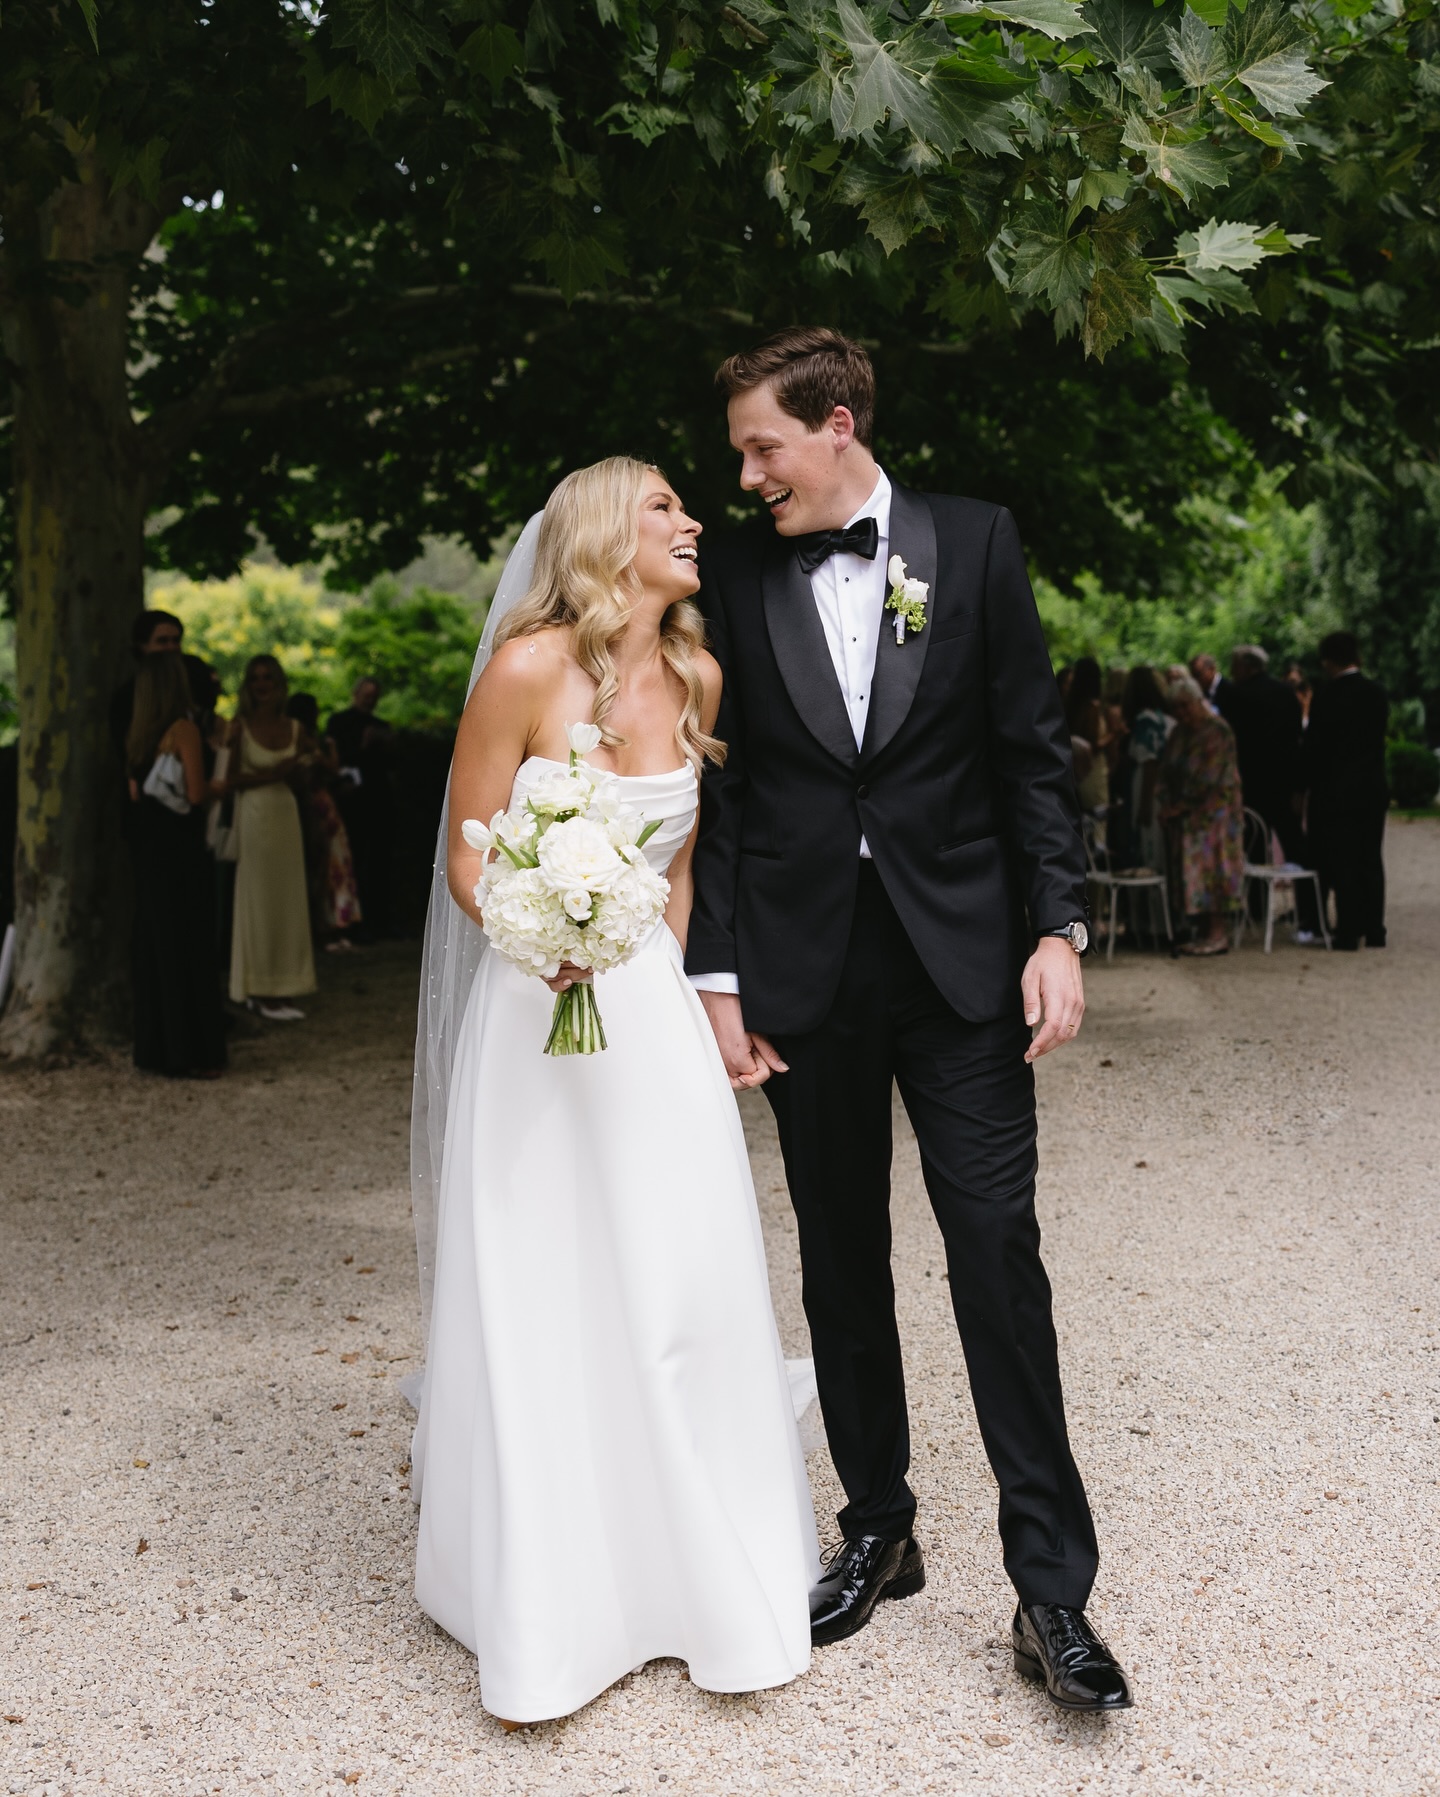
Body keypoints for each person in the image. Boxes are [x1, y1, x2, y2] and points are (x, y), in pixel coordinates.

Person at [688, 328, 1130, 1713]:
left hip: (963, 971)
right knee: (840, 1257)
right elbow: (723, 791)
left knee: (997, 1253)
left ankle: (1052, 1592)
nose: (746, 475)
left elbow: (1030, 755)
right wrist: (718, 980)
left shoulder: (974, 542)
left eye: (762, 446)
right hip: (803, 975)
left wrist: (1058, 929)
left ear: (836, 425)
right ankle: (878, 1528)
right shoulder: (736, 572)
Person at [410, 458, 816, 1726]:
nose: (694, 522)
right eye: (664, 508)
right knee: (550, 1273)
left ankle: (693, 1563)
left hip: (647, 1010)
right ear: (601, 535)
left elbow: (678, 868)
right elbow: (468, 848)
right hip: (534, 1014)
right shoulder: (527, 670)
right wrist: (540, 935)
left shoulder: (695, 674)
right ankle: (556, 1595)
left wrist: (688, 1011)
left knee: (678, 1269)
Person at [124, 651, 226, 1078]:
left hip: (149, 853)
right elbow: (197, 793)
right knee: (191, 946)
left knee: (158, 948)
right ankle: (194, 1051)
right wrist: (224, 781)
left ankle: (158, 1050)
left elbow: (135, 794)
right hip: (182, 854)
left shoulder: (138, 736)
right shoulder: (183, 730)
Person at [225, 655, 317, 1019]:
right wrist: (274, 773)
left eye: (268, 678)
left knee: (288, 899)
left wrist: (302, 769)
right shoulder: (239, 727)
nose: (262, 684)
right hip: (253, 815)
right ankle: (258, 986)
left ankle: (288, 983)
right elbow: (229, 779)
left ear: (279, 684)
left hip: (285, 814)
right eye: (255, 678)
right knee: (258, 900)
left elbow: (306, 781)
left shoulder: (295, 728)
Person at [1223, 645, 1317, 934]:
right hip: (1284, 783)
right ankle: (1307, 909)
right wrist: (1298, 785)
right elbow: (1296, 739)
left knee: (1254, 848)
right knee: (1295, 847)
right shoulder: (1285, 692)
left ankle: (1258, 909)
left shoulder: (1237, 695)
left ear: (1245, 667)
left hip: (1253, 784)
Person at [1306, 630, 1389, 950]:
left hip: (1336, 789)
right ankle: (1374, 928)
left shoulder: (1326, 695)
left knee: (1343, 860)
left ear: (1328, 661)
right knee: (1370, 857)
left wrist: (1304, 785)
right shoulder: (1376, 693)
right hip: (1371, 787)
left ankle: (1349, 929)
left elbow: (1315, 747)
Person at [1158, 673, 1245, 955]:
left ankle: (1217, 933)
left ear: (1198, 701)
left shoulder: (1217, 730)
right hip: (1186, 818)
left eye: (1186, 706)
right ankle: (1203, 931)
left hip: (1214, 818)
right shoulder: (1179, 733)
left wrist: (1180, 806)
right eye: (1177, 708)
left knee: (1213, 871)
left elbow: (1210, 777)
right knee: (1192, 874)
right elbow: (1166, 770)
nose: (1182, 713)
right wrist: (1165, 803)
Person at [285, 694, 363, 950]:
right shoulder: (301, 742)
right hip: (312, 807)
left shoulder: (304, 740)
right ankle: (325, 927)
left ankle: (335, 924)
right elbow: (331, 767)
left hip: (321, 806)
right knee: (322, 865)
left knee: (332, 864)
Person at [327, 676, 395, 939]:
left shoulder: (381, 727)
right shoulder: (339, 723)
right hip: (351, 804)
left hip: (378, 803)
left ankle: (378, 920)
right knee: (352, 860)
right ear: (356, 694)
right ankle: (353, 922)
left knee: (378, 862)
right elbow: (336, 761)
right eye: (366, 695)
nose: (369, 700)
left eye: (373, 696)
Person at [1120, 665, 1174, 934]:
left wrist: (1143, 805)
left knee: (1149, 855)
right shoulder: (1166, 718)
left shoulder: (1145, 720)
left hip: (1147, 791)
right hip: (1163, 791)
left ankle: (1152, 925)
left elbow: (1150, 763)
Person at [1064, 655, 1112, 830]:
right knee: (1097, 824)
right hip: (1092, 771)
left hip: (1078, 772)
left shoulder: (1071, 705)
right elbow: (1093, 744)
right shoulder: (1092, 707)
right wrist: (1114, 734)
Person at [1189, 652, 1229, 716]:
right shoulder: (1201, 693)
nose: (1195, 680)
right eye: (1193, 676)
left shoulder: (1229, 690)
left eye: (1198, 674)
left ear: (1212, 669)